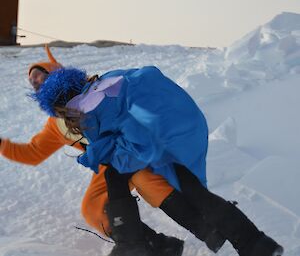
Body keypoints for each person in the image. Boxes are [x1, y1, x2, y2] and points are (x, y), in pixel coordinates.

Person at [0, 46, 229, 256]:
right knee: (92, 208)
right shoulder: (55, 125)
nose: (37, 80)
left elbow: (130, 95)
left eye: (41, 73)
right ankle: (155, 245)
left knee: (146, 180)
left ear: (58, 72)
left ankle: (207, 227)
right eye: (33, 81)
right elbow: (31, 153)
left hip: (134, 145)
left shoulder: (94, 87)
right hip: (109, 162)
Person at [33, 66, 284, 256]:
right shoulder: (105, 83)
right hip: (172, 134)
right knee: (191, 189)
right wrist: (96, 154)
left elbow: (127, 139)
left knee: (118, 175)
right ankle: (255, 243)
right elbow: (121, 129)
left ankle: (132, 243)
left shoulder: (88, 106)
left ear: (60, 105)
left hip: (156, 141)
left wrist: (96, 155)